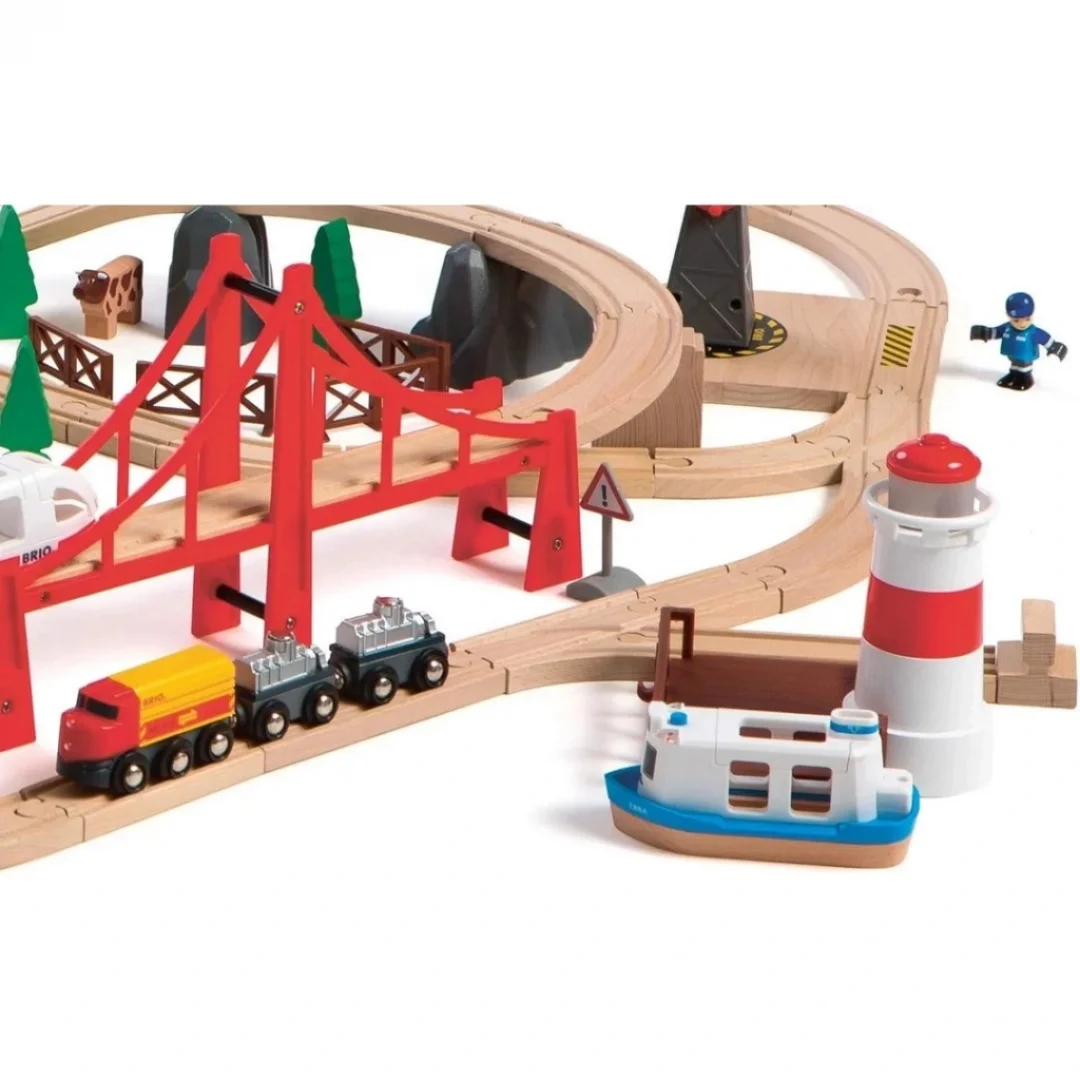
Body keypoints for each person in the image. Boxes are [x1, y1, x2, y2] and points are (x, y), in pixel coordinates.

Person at [970, 292, 1068, 391]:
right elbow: (996, 332)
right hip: (1012, 355)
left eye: (1027, 319)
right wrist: (984, 332)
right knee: (1015, 365)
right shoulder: (1007, 327)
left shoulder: (1033, 332)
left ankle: (1025, 378)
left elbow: (1047, 340)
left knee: (1023, 367)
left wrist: (1055, 348)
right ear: (1008, 316)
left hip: (1026, 357)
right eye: (1016, 320)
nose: (1022, 324)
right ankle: (1013, 375)